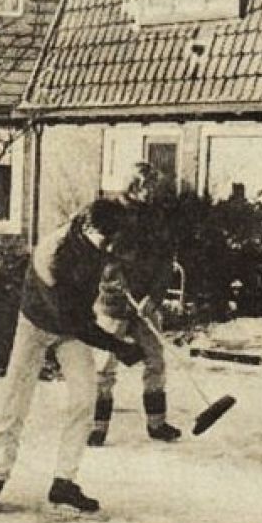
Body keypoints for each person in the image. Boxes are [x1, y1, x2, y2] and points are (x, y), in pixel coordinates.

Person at [0, 199, 145, 514]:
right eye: (106, 241)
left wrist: (119, 279)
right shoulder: (51, 255)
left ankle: (64, 482)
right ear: (90, 229)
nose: (109, 247)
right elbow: (73, 319)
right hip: (37, 322)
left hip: (72, 327)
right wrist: (119, 346)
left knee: (84, 398)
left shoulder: (98, 238)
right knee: (15, 398)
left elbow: (110, 267)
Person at [87, 162, 180, 446]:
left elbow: (165, 262)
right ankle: (97, 427)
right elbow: (96, 252)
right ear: (135, 185)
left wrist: (154, 297)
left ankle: (157, 424)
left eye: (153, 186)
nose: (151, 192)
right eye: (147, 186)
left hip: (145, 305)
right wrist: (111, 278)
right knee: (104, 367)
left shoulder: (157, 219)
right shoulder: (109, 213)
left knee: (155, 362)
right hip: (113, 303)